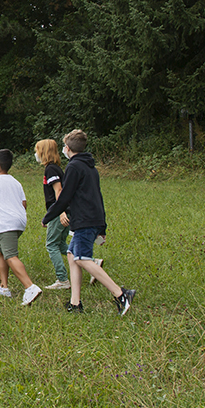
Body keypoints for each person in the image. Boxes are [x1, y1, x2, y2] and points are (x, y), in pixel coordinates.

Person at [43, 130, 134, 314]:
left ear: (67, 148)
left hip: (85, 220)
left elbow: (64, 197)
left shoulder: (74, 167)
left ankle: (121, 294)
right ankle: (75, 303)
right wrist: (103, 226)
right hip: (91, 218)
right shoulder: (90, 166)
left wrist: (48, 216)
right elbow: (97, 196)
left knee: (83, 258)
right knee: (71, 254)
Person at [0, 149, 42, 304]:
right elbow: (24, 203)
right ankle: (4, 287)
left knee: (10, 255)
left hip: (7, 224)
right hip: (19, 222)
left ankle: (30, 287)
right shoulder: (15, 182)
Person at [34, 139, 71, 290]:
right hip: (62, 211)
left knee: (51, 245)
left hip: (58, 212)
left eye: (37, 150)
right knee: (61, 244)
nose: (36, 154)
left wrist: (60, 212)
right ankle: (91, 262)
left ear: (43, 152)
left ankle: (62, 279)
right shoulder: (54, 168)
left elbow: (59, 191)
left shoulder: (51, 169)